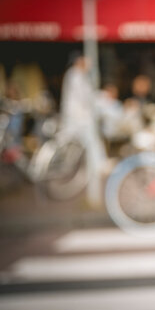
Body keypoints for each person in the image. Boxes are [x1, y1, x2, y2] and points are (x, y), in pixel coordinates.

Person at [60, 51, 106, 204]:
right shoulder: (75, 75)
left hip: (79, 118)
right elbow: (86, 97)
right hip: (78, 118)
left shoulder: (77, 75)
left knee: (87, 142)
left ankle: (95, 166)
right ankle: (97, 166)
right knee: (89, 142)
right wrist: (100, 98)